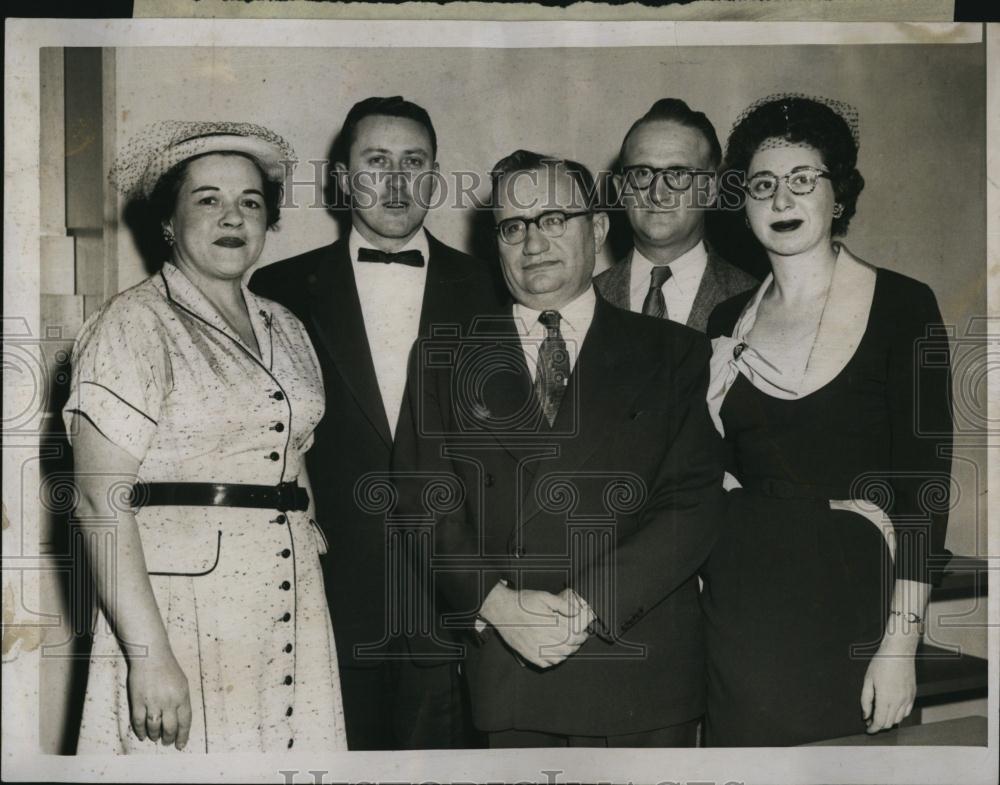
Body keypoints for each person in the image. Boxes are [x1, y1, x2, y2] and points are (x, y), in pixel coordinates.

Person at [392, 150, 725, 748]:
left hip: (638, 667)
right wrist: (496, 604)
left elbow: (691, 503)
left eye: (553, 219)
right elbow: (421, 501)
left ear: (597, 229)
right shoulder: (443, 356)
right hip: (511, 668)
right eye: (513, 227)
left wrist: (590, 602)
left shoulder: (672, 352)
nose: (533, 242)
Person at [63, 121, 347, 753]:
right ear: (168, 220)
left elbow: (290, 451)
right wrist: (149, 656)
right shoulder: (133, 324)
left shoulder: (286, 325)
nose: (232, 216)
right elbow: (96, 503)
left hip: (286, 595)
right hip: (181, 609)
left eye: (250, 201)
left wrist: (309, 535)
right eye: (208, 198)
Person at [249, 96, 504, 750]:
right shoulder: (277, 292)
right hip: (326, 600)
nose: (395, 182)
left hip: (458, 606)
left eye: (413, 162)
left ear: (435, 177)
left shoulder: (493, 290)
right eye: (376, 162)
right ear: (342, 178)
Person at [701, 96, 953, 746]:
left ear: (838, 196)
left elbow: (925, 489)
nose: (781, 199)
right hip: (743, 610)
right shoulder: (727, 323)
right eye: (762, 184)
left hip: (853, 603)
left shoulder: (902, 304)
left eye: (802, 179)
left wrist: (900, 646)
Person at [594, 98, 756, 332]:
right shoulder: (584, 298)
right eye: (642, 173)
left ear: (710, 190)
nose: (658, 194)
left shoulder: (755, 300)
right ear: (621, 190)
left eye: (678, 174)